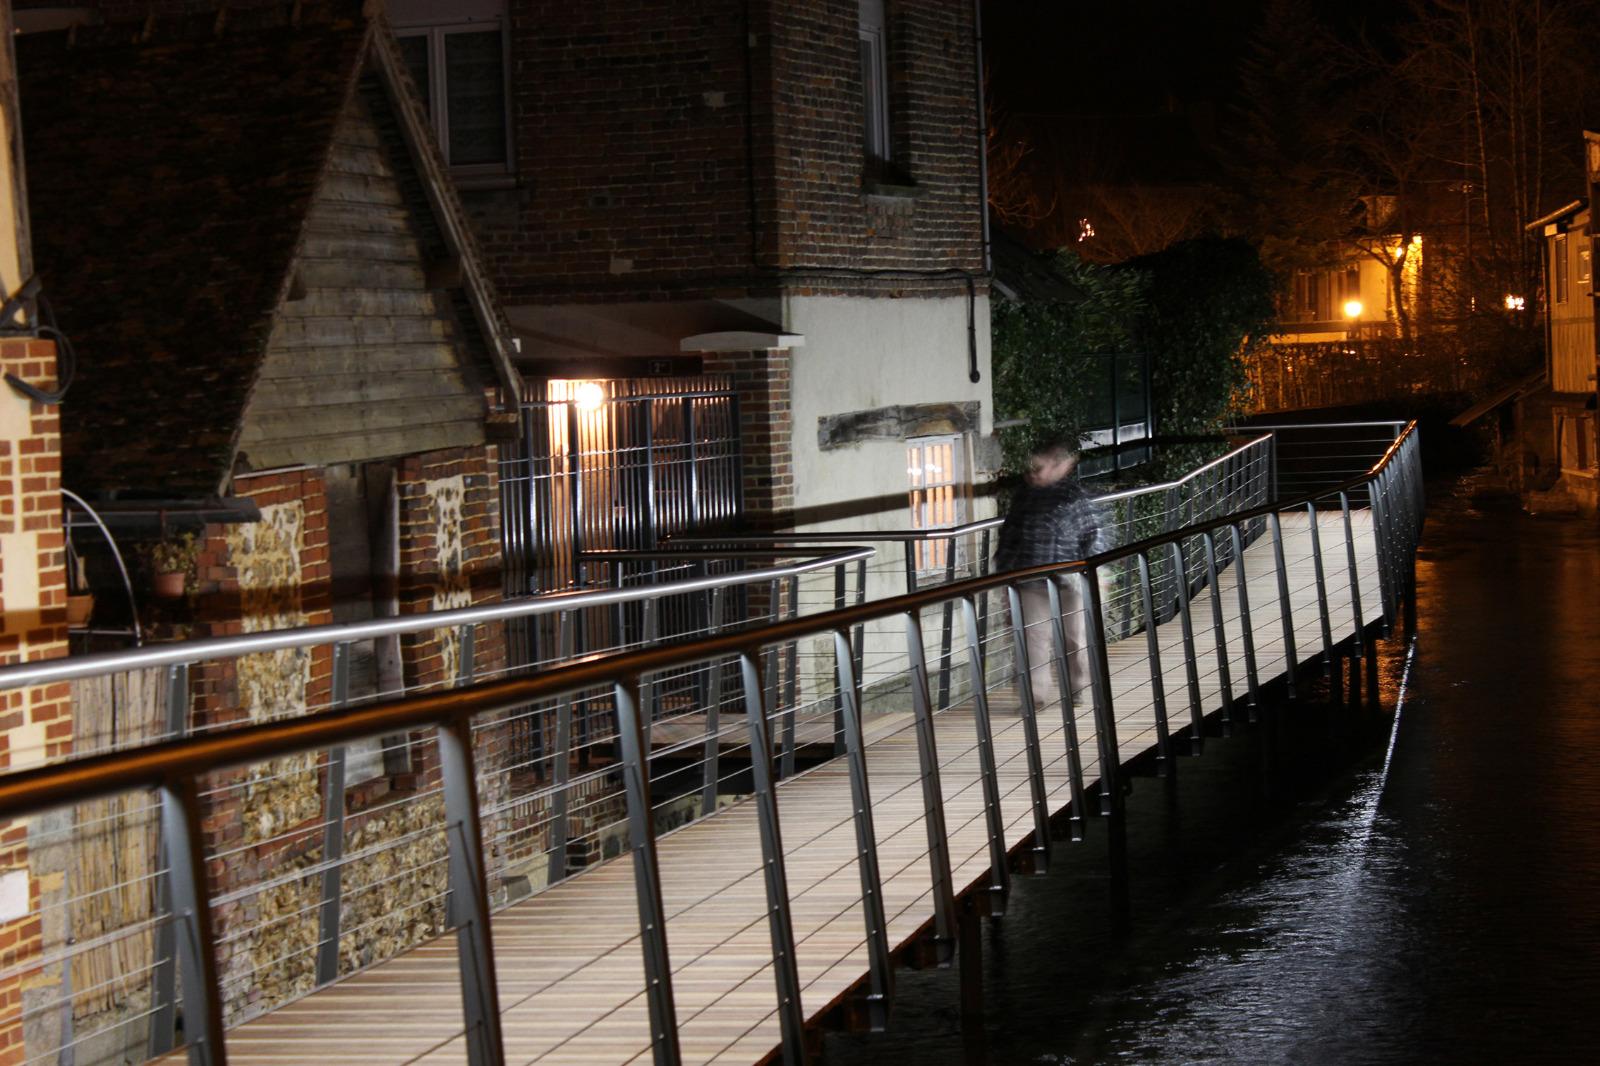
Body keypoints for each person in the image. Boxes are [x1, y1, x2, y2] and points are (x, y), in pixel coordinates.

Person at [993, 441, 1107, 712]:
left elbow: (1095, 537)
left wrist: (1091, 571)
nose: (1033, 473)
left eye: (1039, 467)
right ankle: (1034, 698)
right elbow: (1009, 536)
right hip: (1029, 579)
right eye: (1032, 467)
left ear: (1061, 466)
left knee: (1074, 638)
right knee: (1032, 640)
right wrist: (1005, 574)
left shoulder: (1075, 496)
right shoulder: (1024, 496)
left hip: (1071, 578)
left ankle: (1077, 688)